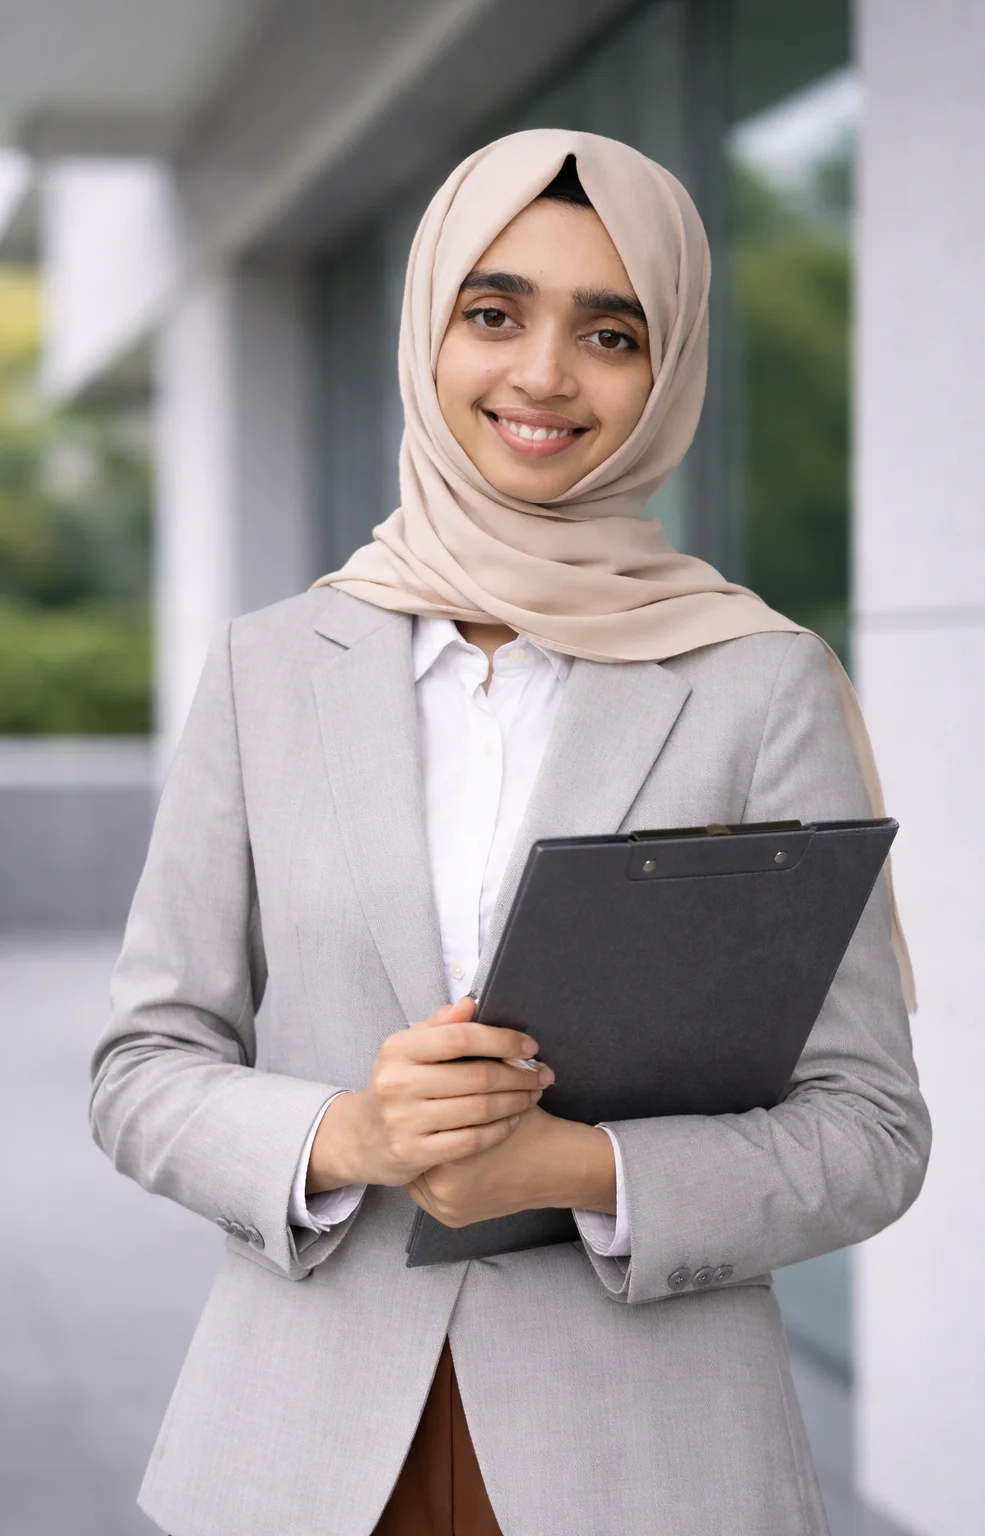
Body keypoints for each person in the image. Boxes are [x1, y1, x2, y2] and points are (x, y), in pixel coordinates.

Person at [90, 129, 929, 1536]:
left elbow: (871, 1130)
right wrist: (346, 1135)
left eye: (611, 330)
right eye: (495, 312)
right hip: (297, 1454)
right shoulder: (274, 665)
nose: (543, 374)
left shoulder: (756, 679)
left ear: (668, 373)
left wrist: (583, 1171)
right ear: (430, 329)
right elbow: (139, 1067)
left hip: (649, 1466)